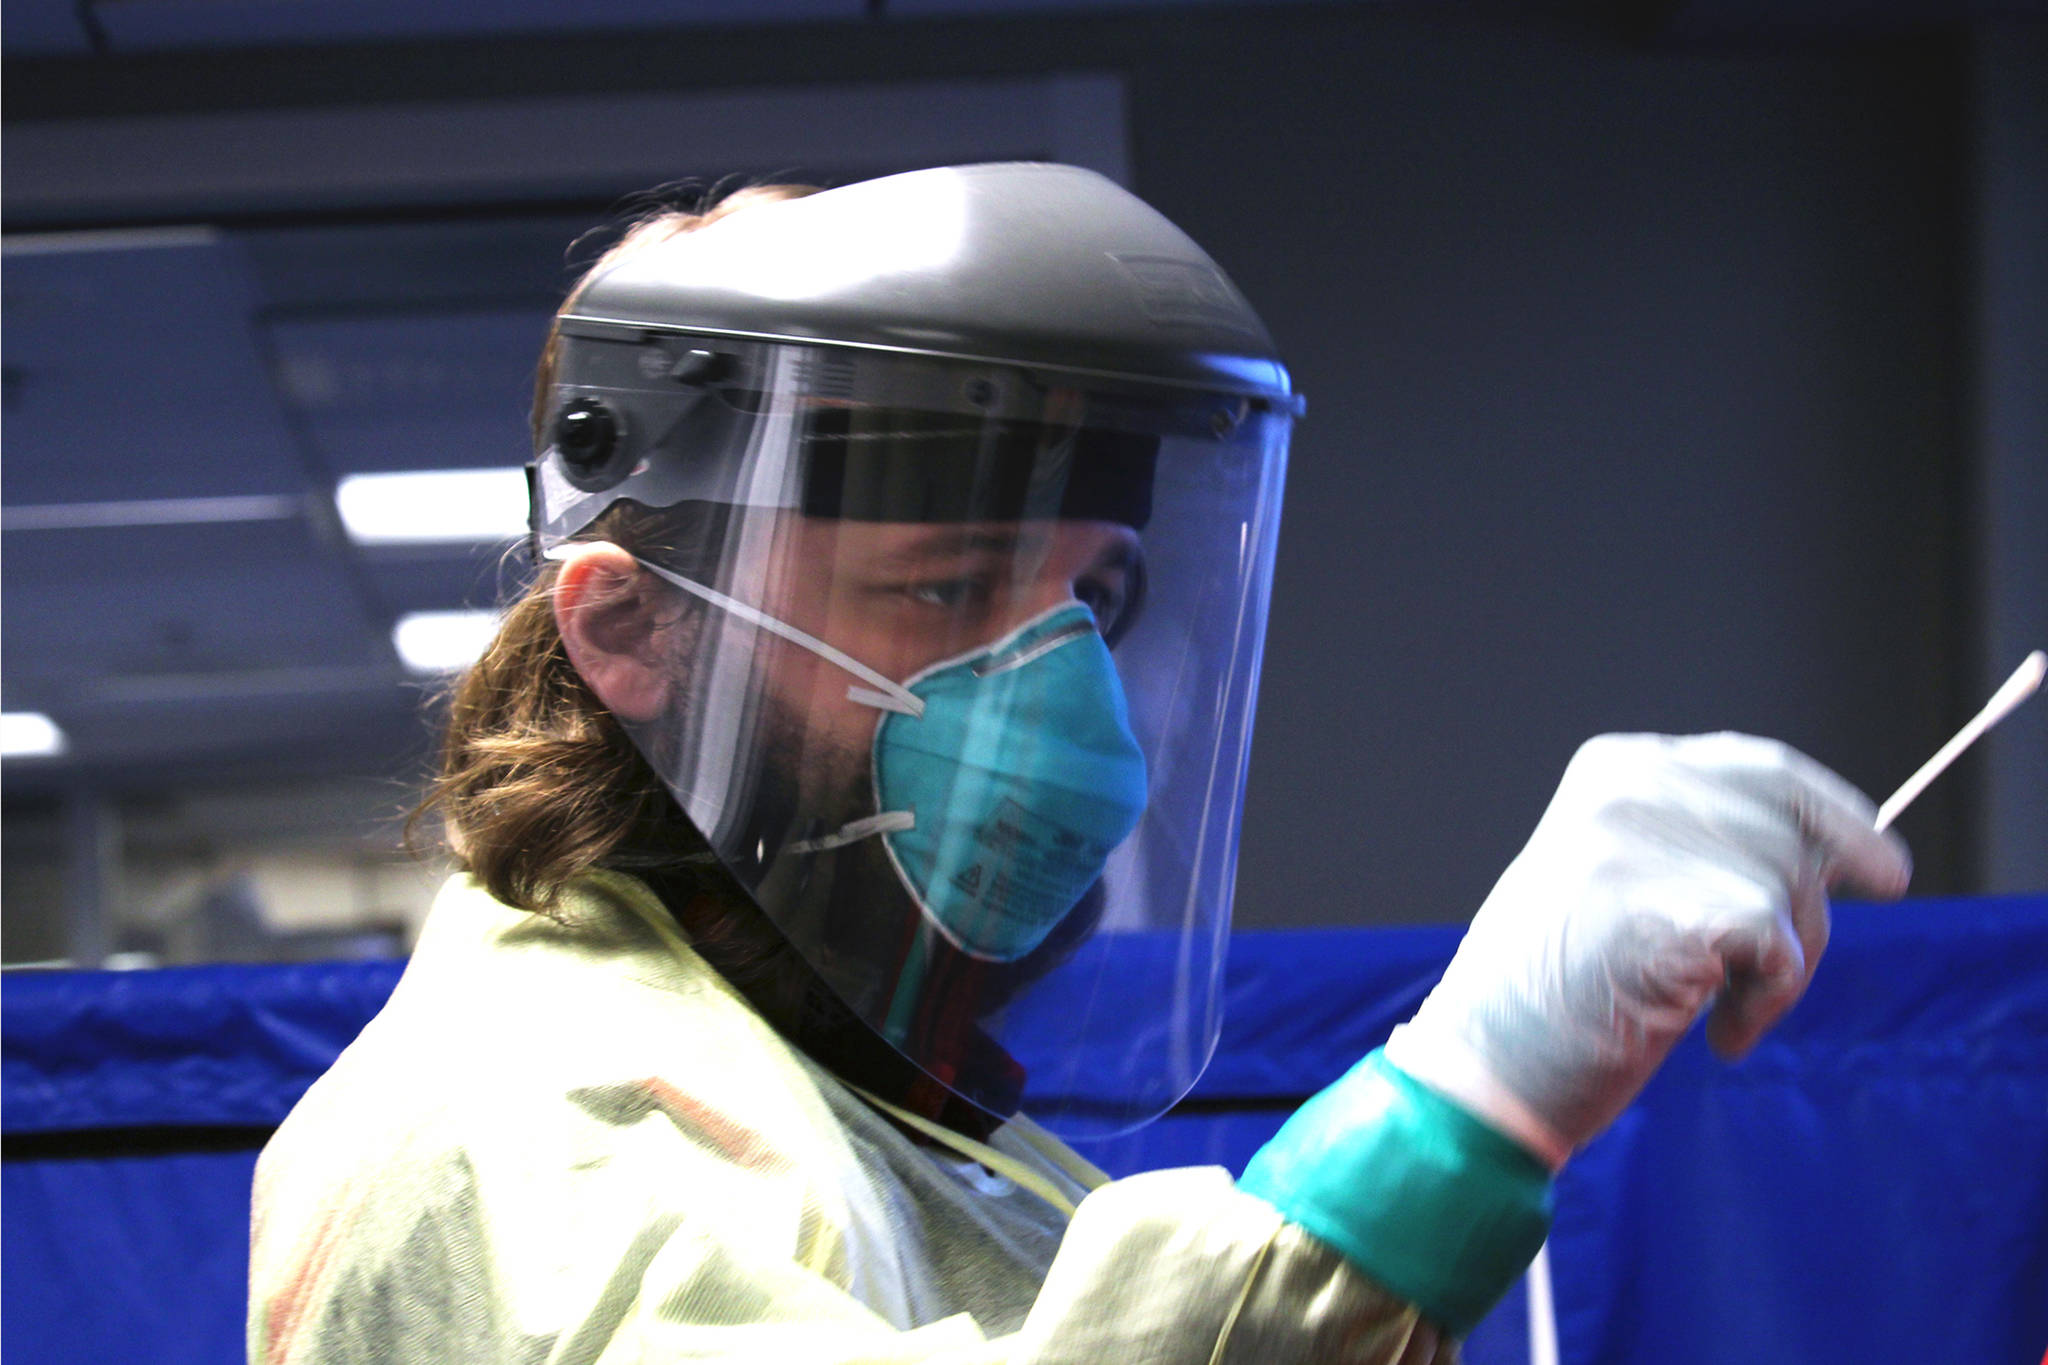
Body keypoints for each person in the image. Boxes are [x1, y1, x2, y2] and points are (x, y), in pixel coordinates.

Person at [247, 164, 1911, 1363]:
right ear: (636, 634)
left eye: (1092, 602)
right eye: (944, 591)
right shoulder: (512, 1124)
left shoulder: (883, 1111)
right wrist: (1456, 1116)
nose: (1064, 696)